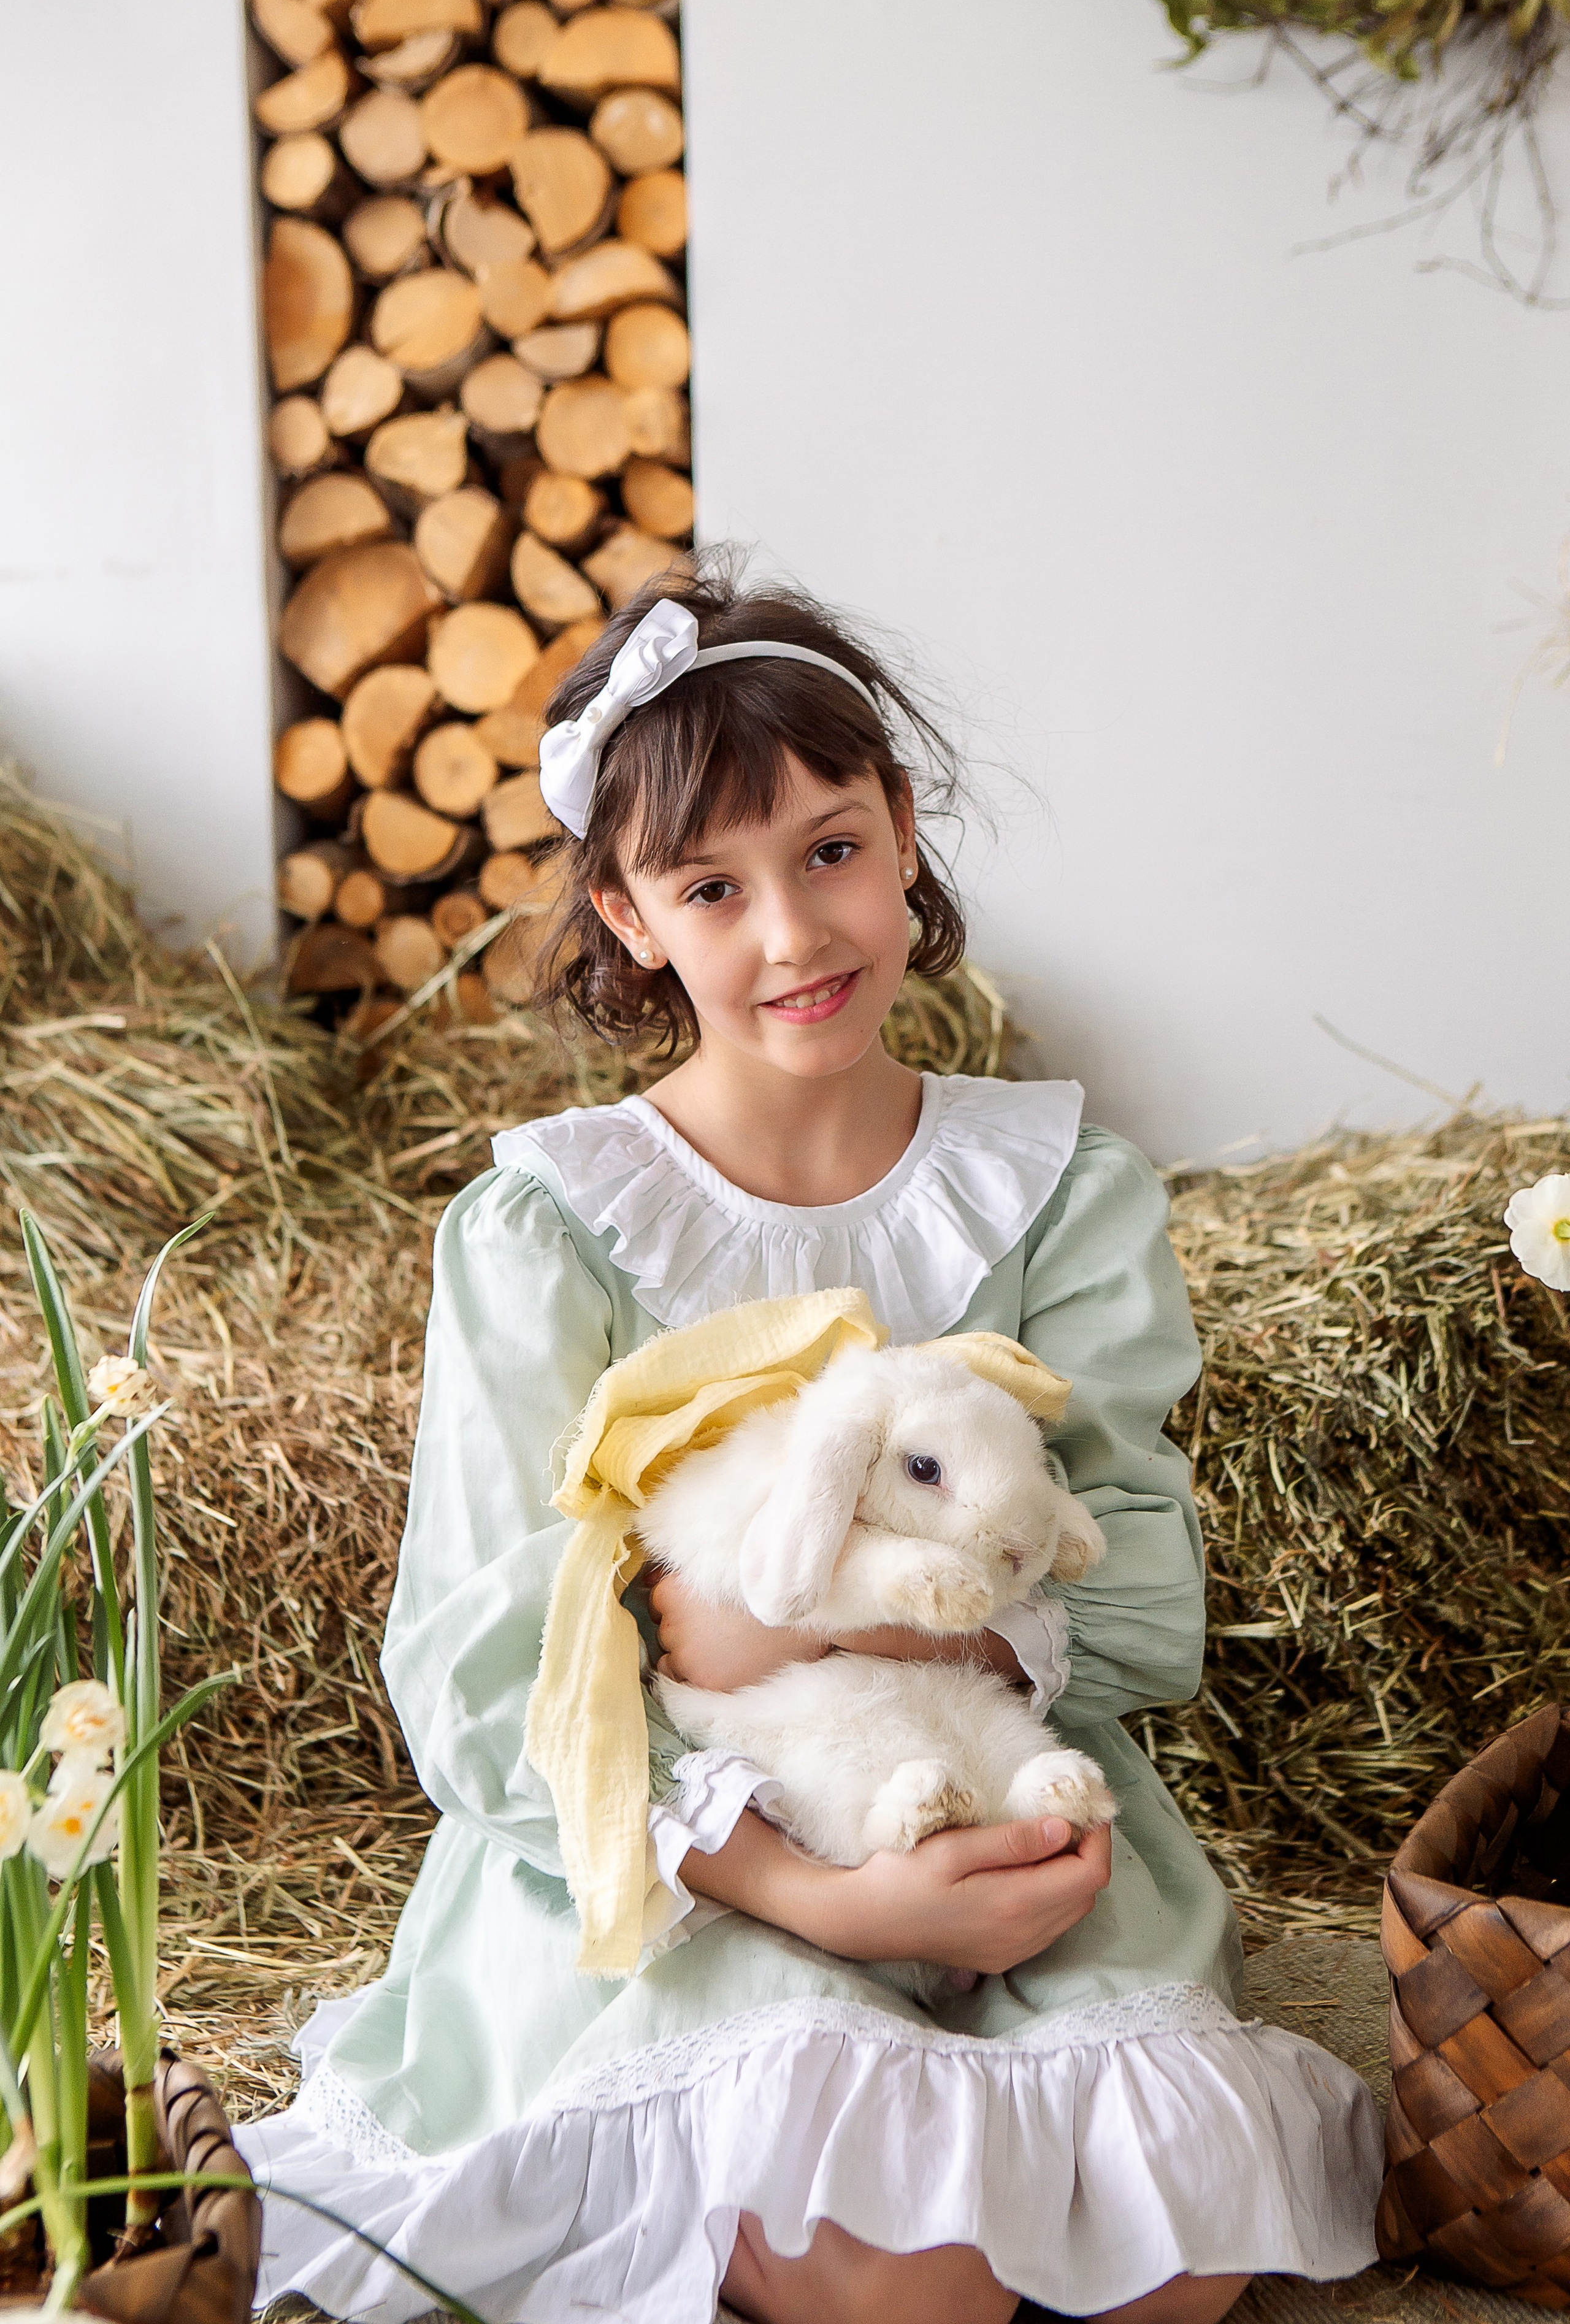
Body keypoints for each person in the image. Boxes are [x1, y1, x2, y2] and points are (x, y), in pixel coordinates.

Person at [239, 569, 1382, 2324]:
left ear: (904, 833)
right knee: (910, 2283)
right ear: (627, 915)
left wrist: (770, 1627)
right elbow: (482, 1670)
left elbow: (1144, 1593)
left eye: (830, 850)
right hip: (698, 1864)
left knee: (1177, 2265)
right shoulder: (551, 1230)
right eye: (712, 886)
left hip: (996, 1799)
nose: (793, 933)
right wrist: (823, 1898)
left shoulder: (1058, 1194)